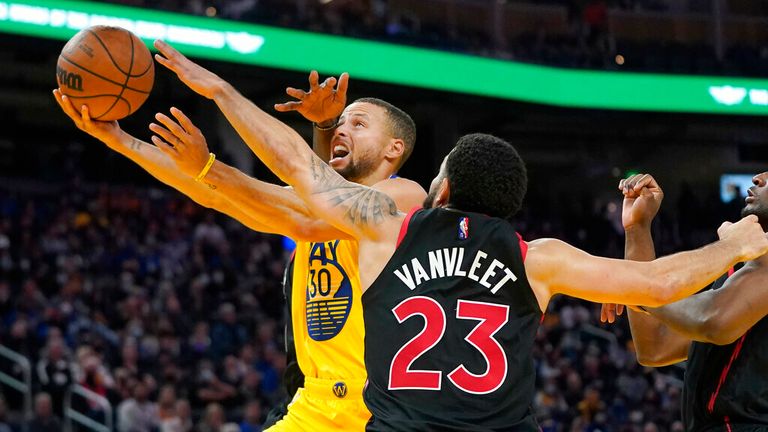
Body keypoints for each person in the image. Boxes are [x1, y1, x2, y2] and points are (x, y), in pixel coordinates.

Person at [158, 65, 768, 429]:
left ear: (439, 186)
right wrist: (734, 245)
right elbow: (661, 285)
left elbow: (297, 170)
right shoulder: (538, 258)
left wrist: (219, 92)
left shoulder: (389, 229)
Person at [53, 44, 426, 431]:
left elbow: (302, 220)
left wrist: (218, 96)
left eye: (359, 124)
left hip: (371, 408)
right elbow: (218, 194)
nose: (343, 129)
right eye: (342, 123)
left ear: (393, 149)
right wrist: (120, 140)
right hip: (313, 402)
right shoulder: (324, 203)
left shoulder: (405, 197)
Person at [601, 172, 768, 431]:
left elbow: (713, 320)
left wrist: (634, 288)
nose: (758, 178)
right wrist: (638, 229)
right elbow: (655, 347)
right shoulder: (747, 266)